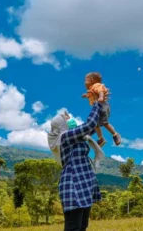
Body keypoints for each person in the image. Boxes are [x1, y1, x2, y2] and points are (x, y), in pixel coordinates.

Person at [47, 99, 107, 231]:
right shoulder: (64, 137)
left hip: (84, 184)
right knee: (74, 228)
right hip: (73, 187)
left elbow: (94, 125)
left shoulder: (76, 137)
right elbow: (88, 125)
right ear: (62, 125)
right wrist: (98, 102)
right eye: (67, 119)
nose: (70, 120)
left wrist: (103, 108)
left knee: (82, 227)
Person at [82, 72, 122, 147]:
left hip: (102, 105)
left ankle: (115, 134)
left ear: (91, 80)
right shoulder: (91, 89)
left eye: (86, 80)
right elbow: (92, 94)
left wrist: (101, 97)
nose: (84, 82)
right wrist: (86, 96)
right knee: (96, 124)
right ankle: (101, 139)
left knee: (104, 123)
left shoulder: (96, 85)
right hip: (97, 107)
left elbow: (100, 91)